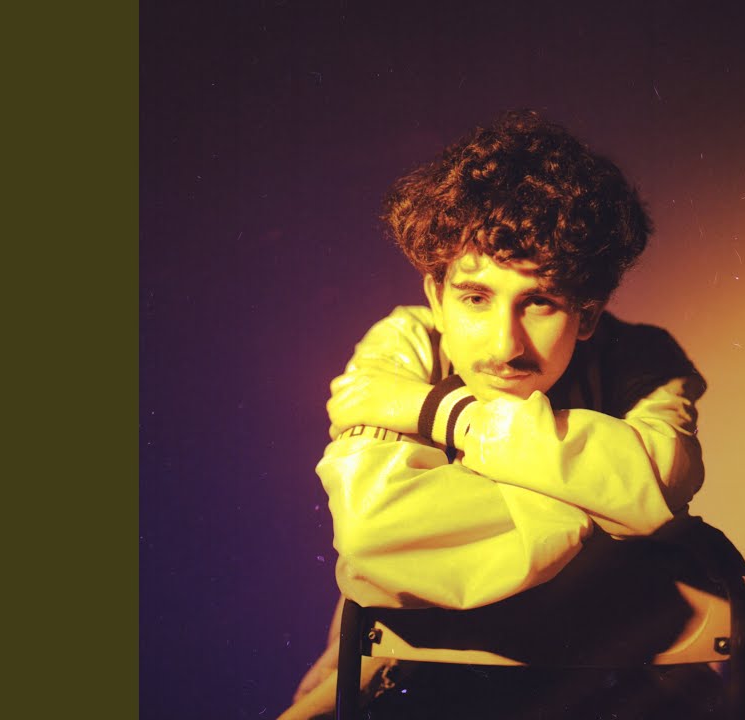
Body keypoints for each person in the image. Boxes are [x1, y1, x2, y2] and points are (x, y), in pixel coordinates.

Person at [280, 110, 716, 719]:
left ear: (587, 314)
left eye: (539, 302)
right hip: (417, 683)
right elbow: (373, 534)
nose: (505, 345)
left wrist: (447, 414)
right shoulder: (404, 344)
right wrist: (602, 511)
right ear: (437, 298)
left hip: (607, 685)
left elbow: (660, 479)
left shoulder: (643, 358)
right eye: (476, 298)